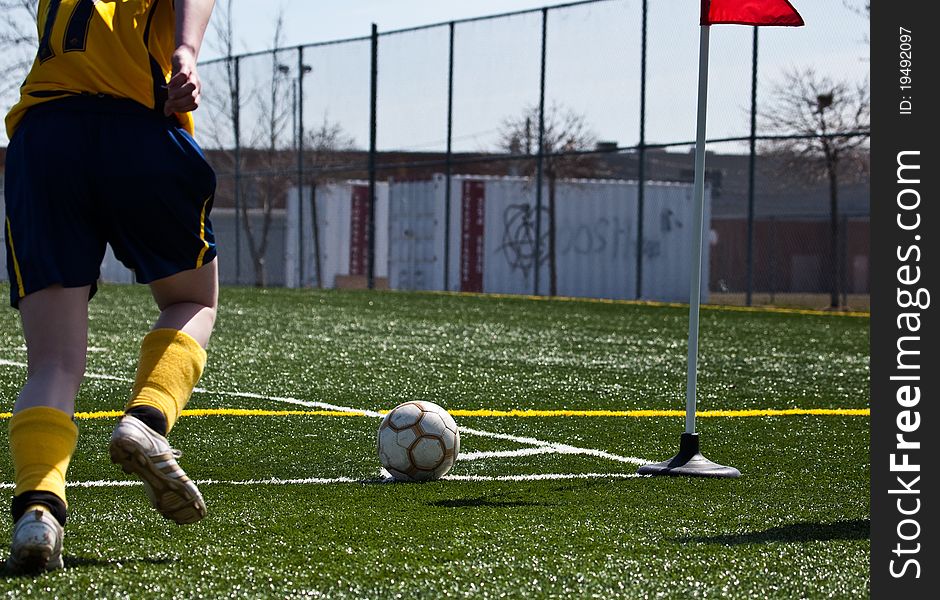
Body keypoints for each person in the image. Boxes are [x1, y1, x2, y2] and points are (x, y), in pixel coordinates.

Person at [3, 0, 218, 573]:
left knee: (53, 362)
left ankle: (39, 508)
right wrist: (186, 53)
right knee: (191, 298)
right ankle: (146, 420)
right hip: (137, 128)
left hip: (45, 139)